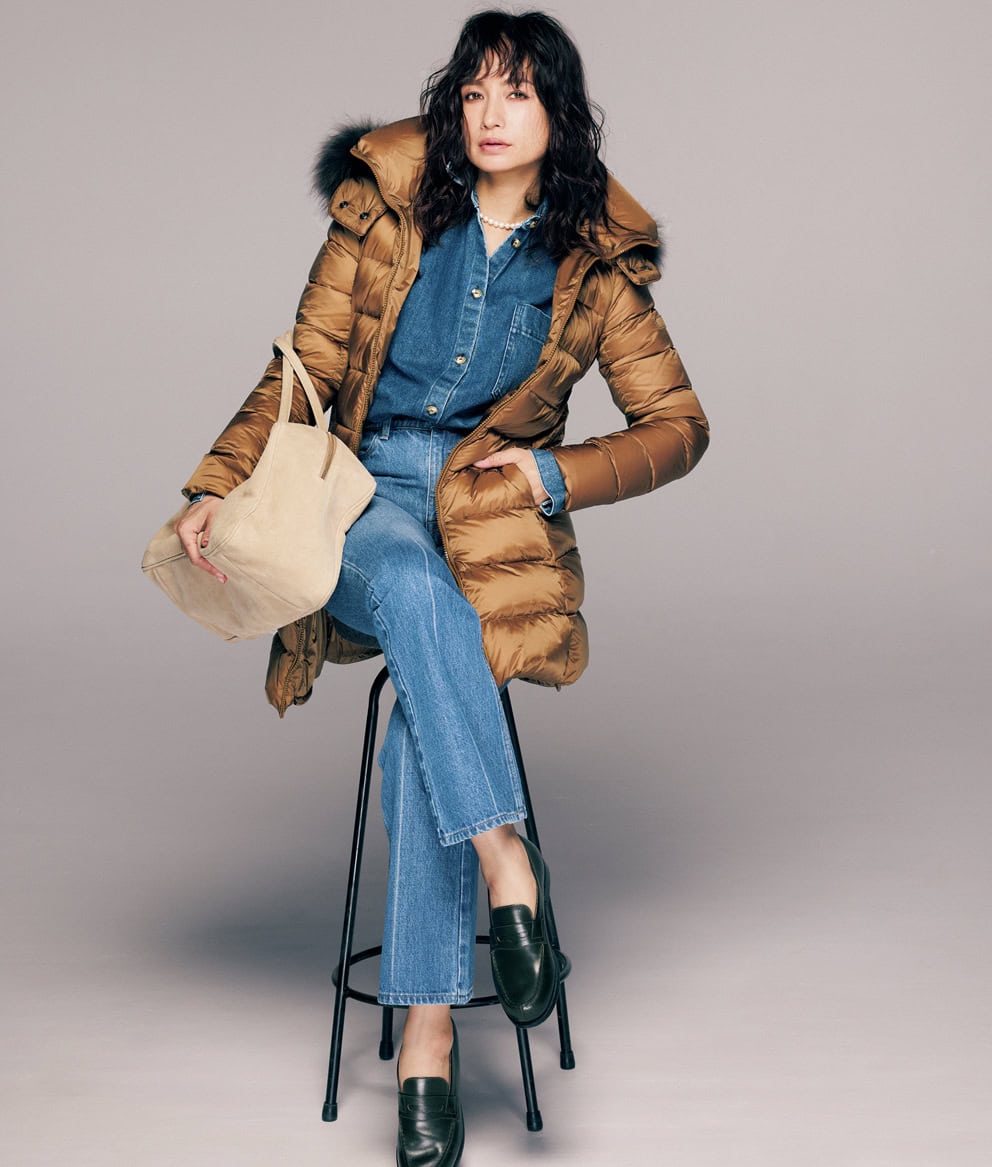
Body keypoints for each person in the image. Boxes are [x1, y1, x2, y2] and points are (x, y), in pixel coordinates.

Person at [174, 10, 708, 1165]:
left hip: (488, 520)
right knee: (419, 601)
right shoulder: (386, 210)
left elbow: (678, 425)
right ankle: (511, 866)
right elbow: (305, 367)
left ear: (559, 114)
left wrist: (557, 474)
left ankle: (427, 1035)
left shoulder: (592, 265)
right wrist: (217, 483)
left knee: (430, 703)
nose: (489, 114)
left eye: (516, 92)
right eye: (472, 92)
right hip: (357, 501)